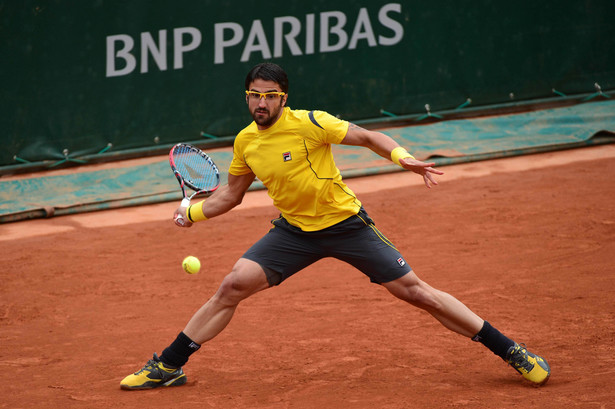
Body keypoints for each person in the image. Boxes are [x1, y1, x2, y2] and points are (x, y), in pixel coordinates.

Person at [120, 62, 550, 390]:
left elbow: (366, 137)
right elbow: (231, 195)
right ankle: (168, 366)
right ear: (246, 98)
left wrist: (403, 159)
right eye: (254, 95)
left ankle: (508, 349)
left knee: (418, 293)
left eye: (270, 96)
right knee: (232, 285)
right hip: (293, 233)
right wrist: (191, 213)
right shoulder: (245, 141)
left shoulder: (311, 123)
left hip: (347, 225)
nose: (261, 103)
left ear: (283, 98)